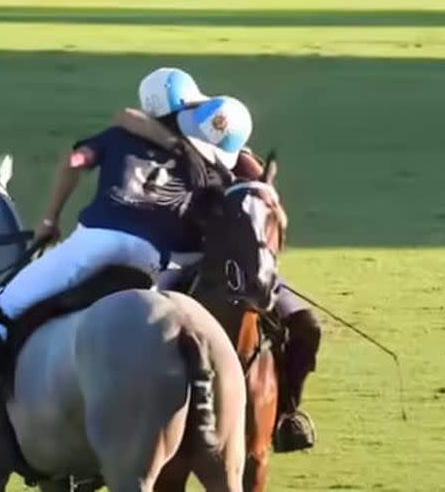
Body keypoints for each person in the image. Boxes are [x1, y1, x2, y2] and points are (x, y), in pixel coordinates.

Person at [0, 93, 255, 452]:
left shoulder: (122, 135)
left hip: (97, 242)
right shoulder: (205, 166)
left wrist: (49, 220)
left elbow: (74, 161)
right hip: (154, 259)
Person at [134, 67, 322, 453]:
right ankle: (124, 429)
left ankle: (286, 413)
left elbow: (265, 199)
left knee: (306, 326)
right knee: (137, 331)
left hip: (246, 265)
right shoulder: (156, 156)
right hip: (179, 260)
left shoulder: (227, 143)